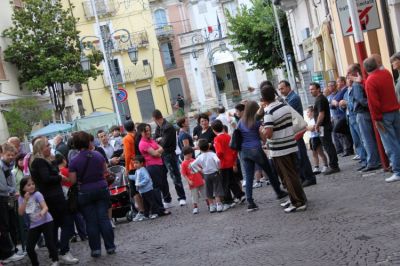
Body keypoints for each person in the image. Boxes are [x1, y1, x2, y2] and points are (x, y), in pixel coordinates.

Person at [29, 137, 78, 264]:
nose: (50, 147)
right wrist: (59, 177)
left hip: (51, 197)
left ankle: (57, 253)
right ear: (40, 148)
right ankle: (63, 250)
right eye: (47, 146)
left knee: (55, 226)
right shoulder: (39, 162)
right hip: (53, 198)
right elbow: (46, 178)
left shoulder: (42, 160)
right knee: (66, 224)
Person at [260, 84, 307, 213]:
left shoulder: (269, 112)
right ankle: (298, 198)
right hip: (290, 143)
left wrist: (262, 130)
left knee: (287, 177)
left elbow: (268, 133)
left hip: (280, 148)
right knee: (293, 174)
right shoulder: (285, 106)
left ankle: (297, 202)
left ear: (263, 98)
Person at [68, 131, 116, 258]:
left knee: (90, 221)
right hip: (101, 188)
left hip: (85, 191)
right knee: (104, 218)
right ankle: (110, 246)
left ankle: (96, 250)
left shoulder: (74, 161)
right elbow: (105, 172)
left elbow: (72, 181)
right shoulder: (98, 155)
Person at [238, 101, 287, 212]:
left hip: (244, 151)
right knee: (269, 171)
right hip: (256, 149)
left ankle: (250, 202)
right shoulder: (256, 121)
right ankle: (279, 192)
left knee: (249, 177)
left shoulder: (240, 121)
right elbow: (263, 137)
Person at [363, 57, 400, 182]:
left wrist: (376, 119)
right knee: (398, 141)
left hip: (383, 115)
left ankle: (398, 171)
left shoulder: (370, 81)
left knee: (391, 145)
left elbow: (373, 103)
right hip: (395, 111)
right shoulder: (386, 73)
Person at [278, 80, 317, 187]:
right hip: (293, 130)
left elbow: (287, 112)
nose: (280, 91)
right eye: (279, 89)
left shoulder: (294, 98)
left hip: (297, 130)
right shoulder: (288, 98)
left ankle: (309, 177)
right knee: (298, 156)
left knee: (302, 155)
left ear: (288, 87)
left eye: (282, 88)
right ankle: (304, 177)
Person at [18, 177, 58, 266]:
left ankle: (55, 260)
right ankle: (35, 264)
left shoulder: (37, 194)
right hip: (34, 224)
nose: (32, 186)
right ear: (23, 187)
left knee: (49, 242)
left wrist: (42, 212)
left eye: (33, 184)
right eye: (29, 185)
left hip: (46, 221)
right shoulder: (21, 198)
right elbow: (20, 213)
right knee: (29, 248)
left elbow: (45, 207)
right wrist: (25, 200)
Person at [347, 63, 380, 172]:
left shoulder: (356, 85)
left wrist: (371, 105)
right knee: (368, 138)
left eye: (349, 73)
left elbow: (361, 100)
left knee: (367, 139)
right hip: (364, 112)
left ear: (354, 73)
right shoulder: (359, 83)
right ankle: (374, 160)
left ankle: (373, 161)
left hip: (362, 113)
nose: (347, 76)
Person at [153, 110, 187, 206]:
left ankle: (182, 197)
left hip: (169, 154)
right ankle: (167, 199)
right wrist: (159, 139)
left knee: (175, 176)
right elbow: (155, 140)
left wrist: (159, 140)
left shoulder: (168, 127)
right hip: (161, 155)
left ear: (155, 118)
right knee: (162, 178)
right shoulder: (158, 127)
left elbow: (164, 142)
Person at [211, 119, 244, 210]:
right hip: (231, 162)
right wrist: (233, 161)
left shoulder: (216, 138)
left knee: (224, 183)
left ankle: (229, 201)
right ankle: (240, 195)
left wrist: (218, 159)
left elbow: (219, 152)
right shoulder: (228, 136)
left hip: (223, 164)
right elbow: (233, 150)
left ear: (213, 130)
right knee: (232, 180)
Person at [0, 144, 25, 264]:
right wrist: (12, 191)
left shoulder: (8, 166)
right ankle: (7, 254)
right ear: (2, 154)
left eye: (12, 155)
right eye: (8, 155)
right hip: (3, 198)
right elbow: (2, 186)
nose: (11, 157)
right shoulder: (1, 166)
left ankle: (12, 250)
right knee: (4, 226)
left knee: (10, 224)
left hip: (7, 198)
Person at [138, 123, 172, 209]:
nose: (148, 132)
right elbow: (155, 153)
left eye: (149, 130)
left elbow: (161, 149)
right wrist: (158, 151)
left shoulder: (151, 140)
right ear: (141, 132)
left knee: (163, 184)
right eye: (146, 131)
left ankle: (166, 202)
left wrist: (158, 151)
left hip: (159, 164)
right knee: (156, 187)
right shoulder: (143, 143)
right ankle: (160, 207)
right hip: (152, 166)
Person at [309, 82, 340, 175]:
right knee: (327, 145)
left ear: (318, 89)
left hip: (324, 126)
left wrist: (317, 125)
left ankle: (334, 166)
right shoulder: (319, 99)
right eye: (310, 90)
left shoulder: (321, 99)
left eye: (312, 89)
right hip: (323, 126)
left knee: (328, 146)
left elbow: (321, 114)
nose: (311, 91)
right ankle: (333, 165)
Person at [190, 139, 224, 213]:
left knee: (208, 190)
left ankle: (211, 206)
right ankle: (218, 205)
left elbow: (192, 165)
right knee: (217, 189)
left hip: (206, 174)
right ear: (208, 146)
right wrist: (218, 167)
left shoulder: (199, 157)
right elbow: (218, 161)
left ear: (199, 148)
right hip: (215, 173)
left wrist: (199, 170)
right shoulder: (212, 154)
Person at [122, 120, 145, 222]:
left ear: (125, 128)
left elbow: (127, 155)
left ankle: (141, 211)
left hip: (132, 165)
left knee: (134, 190)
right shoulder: (137, 135)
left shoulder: (127, 138)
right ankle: (145, 209)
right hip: (140, 162)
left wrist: (126, 168)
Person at [180, 146, 207, 214]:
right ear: (184, 154)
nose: (190, 155)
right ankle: (195, 207)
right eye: (188, 154)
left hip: (200, 180)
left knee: (205, 194)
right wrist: (189, 181)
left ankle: (209, 204)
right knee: (194, 196)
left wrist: (203, 177)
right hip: (193, 182)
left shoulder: (194, 160)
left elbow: (200, 169)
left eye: (191, 154)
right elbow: (184, 174)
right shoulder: (183, 163)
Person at [306, 106, 328, 174]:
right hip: (311, 138)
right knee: (314, 154)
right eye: (306, 112)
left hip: (316, 138)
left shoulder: (315, 120)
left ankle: (325, 165)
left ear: (312, 112)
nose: (307, 114)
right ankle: (316, 166)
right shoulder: (309, 121)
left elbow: (313, 128)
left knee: (320, 152)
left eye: (308, 112)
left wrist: (307, 128)